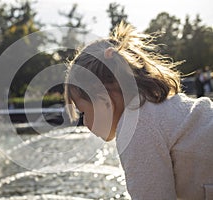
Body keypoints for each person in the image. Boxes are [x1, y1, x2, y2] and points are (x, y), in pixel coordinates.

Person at [64, 22, 213, 200]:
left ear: (102, 94)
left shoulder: (135, 126)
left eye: (83, 113)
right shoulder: (158, 108)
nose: (85, 123)